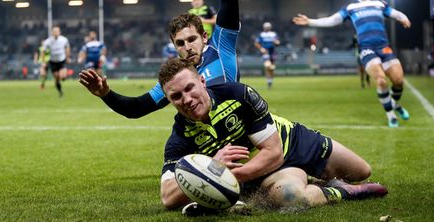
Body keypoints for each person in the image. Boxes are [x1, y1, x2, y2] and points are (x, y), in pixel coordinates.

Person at [158, 58, 388, 215]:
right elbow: (168, 197)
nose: (186, 99)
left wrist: (226, 176)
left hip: (293, 142)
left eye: (189, 88)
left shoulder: (238, 95)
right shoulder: (179, 139)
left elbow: (274, 151)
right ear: (169, 101)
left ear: (202, 81)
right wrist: (213, 167)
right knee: (291, 197)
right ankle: (342, 190)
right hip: (269, 171)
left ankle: (321, 179)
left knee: (361, 171)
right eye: (176, 96)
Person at [79, 0, 240, 119]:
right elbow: (136, 108)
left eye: (192, 39)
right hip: (208, 149)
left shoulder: (220, 46)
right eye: (180, 43)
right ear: (174, 46)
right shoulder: (175, 77)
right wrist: (106, 94)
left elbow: (229, 5)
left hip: (242, 133)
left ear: (204, 37)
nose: (187, 47)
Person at [293, 0, 411, 128]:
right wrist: (310, 21)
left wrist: (404, 18)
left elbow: (396, 14)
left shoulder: (380, 3)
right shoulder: (351, 8)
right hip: (367, 48)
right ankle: (391, 116)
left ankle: (396, 105)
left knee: (398, 81)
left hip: (384, 47)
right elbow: (332, 20)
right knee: (381, 81)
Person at [42, 26, 71, 97]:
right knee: (57, 78)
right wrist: (44, 62)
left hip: (61, 61)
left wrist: (67, 57)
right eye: (54, 31)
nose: (56, 33)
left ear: (59, 32)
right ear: (52, 32)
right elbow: (44, 51)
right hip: (53, 62)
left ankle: (63, 77)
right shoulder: (48, 41)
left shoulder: (64, 39)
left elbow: (67, 48)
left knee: (62, 77)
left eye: (57, 31)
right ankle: (60, 92)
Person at [254, 22, 280, 89]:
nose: (267, 28)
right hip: (265, 52)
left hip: (272, 52)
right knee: (268, 65)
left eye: (268, 27)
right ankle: (269, 81)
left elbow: (277, 42)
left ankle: (269, 82)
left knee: (271, 69)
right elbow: (256, 43)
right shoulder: (261, 34)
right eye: (266, 27)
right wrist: (261, 48)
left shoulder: (273, 34)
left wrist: (276, 42)